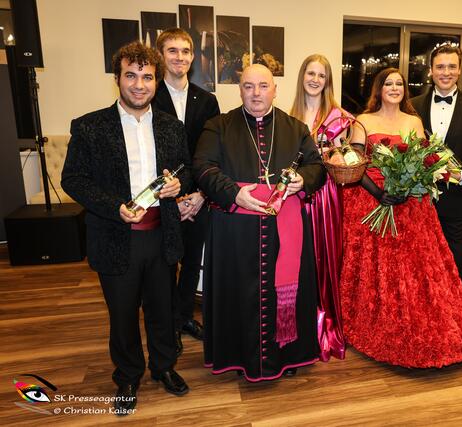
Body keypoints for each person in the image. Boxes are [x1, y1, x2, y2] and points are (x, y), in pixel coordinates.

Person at [61, 41, 192, 415]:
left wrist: (178, 185)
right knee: (122, 315)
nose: (139, 84)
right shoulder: (90, 126)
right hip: (115, 236)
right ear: (117, 78)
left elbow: (186, 170)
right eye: (131, 76)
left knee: (162, 310)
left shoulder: (172, 127)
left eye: (147, 77)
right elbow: (73, 179)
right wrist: (113, 207)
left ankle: (164, 367)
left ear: (156, 81)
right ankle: (128, 375)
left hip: (162, 235)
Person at [193, 64, 325, 381]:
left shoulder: (295, 128)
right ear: (240, 90)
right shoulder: (218, 126)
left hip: (285, 227)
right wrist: (233, 194)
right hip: (234, 231)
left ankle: (288, 355)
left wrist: (302, 179)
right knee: (238, 293)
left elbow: (317, 167)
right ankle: (239, 357)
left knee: (285, 292)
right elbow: (202, 167)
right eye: (248, 86)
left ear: (274, 90)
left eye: (263, 86)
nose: (256, 94)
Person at [340, 68, 462, 368]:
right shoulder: (363, 121)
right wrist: (379, 193)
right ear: (378, 89)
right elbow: (354, 162)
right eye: (388, 83)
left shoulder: (414, 121)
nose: (394, 88)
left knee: (416, 269)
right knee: (379, 269)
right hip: (373, 200)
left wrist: (410, 185)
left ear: (405, 89)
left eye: (399, 84)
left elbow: (423, 160)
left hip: (412, 204)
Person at [410, 44, 462, 346]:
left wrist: (461, 175)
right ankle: (421, 323)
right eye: (440, 67)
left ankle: (461, 325)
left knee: (455, 263)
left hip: (455, 201)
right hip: (417, 200)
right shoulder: (412, 105)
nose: (445, 72)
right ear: (431, 71)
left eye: (451, 67)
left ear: (459, 70)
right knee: (418, 262)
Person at [153, 28, 221, 356]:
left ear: (193, 57)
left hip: (198, 198)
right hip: (161, 198)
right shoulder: (148, 95)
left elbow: (213, 152)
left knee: (192, 264)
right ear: (160, 55)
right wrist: (173, 197)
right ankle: (166, 327)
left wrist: (201, 195)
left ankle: (182, 319)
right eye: (172, 50)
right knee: (165, 268)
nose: (179, 57)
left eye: (185, 51)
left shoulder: (207, 101)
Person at [290, 54, 350, 361]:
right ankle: (298, 326)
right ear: (302, 76)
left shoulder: (339, 117)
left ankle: (325, 325)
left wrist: (337, 154)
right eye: (310, 73)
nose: (315, 80)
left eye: (321, 75)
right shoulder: (290, 114)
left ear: (328, 81)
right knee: (297, 259)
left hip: (325, 195)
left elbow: (345, 159)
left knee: (324, 257)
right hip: (296, 196)